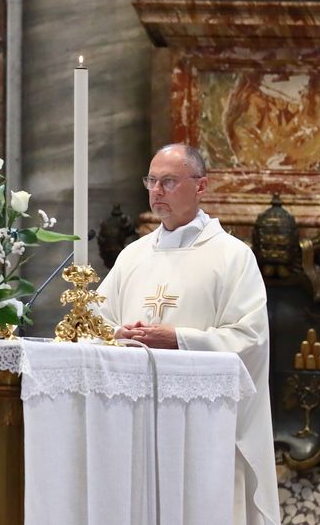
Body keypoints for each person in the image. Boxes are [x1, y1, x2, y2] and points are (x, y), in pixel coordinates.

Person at [96, 144, 279, 525]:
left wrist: (178, 339)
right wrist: (118, 333)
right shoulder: (132, 256)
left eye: (168, 181)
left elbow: (250, 338)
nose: (156, 191)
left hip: (205, 429)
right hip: (136, 421)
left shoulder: (232, 256)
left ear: (201, 186)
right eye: (151, 181)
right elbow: (95, 323)